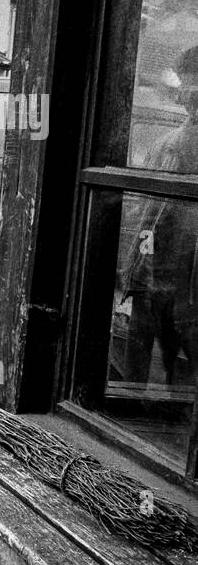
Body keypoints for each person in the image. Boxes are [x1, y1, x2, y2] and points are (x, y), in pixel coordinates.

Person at [119, 45, 198, 391]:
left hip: (186, 287)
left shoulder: (179, 142)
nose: (186, 99)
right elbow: (145, 213)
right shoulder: (169, 142)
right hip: (154, 279)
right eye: (185, 89)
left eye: (192, 90)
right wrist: (136, 270)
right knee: (137, 376)